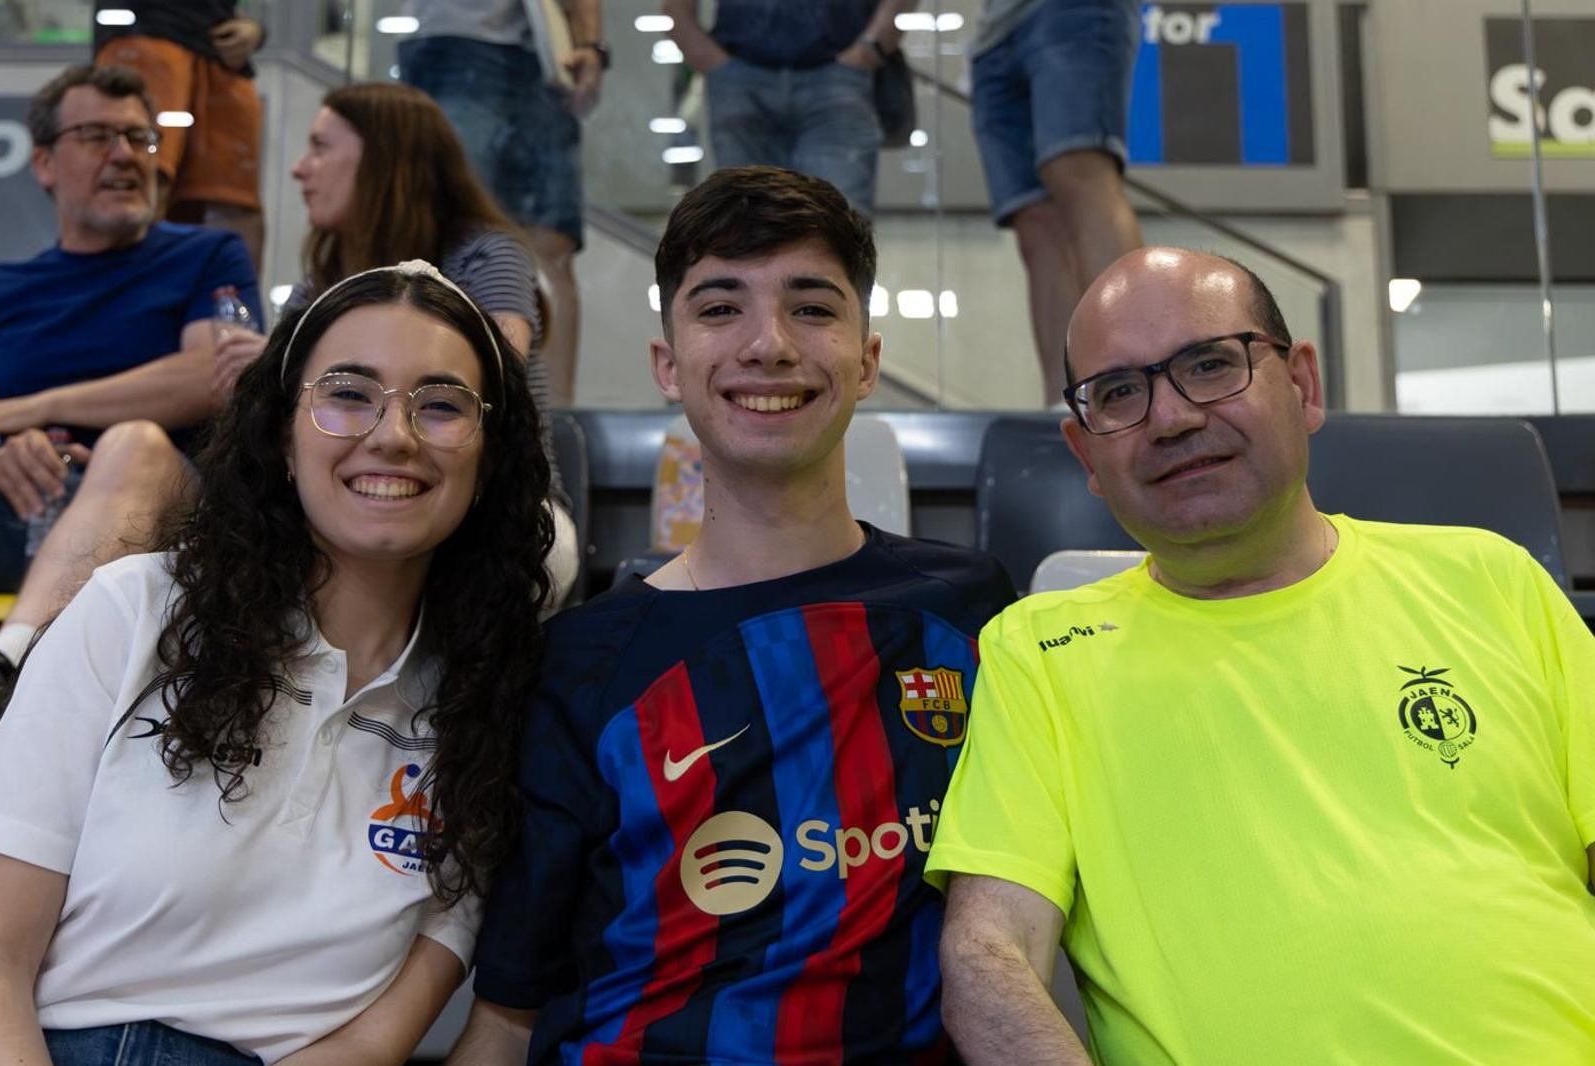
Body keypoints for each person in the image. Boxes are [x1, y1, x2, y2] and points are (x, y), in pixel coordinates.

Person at [928, 247, 1595, 1063]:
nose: (1171, 418)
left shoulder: (1491, 580)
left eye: (1210, 365)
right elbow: (986, 958)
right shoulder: (1040, 650)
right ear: (1085, 455)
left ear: (1303, 386)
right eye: (1120, 393)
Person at [446, 166, 1015, 1064]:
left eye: (813, 308)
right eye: (720, 309)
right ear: (667, 365)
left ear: (867, 361)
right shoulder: (580, 663)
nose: (768, 345)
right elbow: (511, 1011)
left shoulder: (972, 611)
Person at [0, 260, 556, 1064]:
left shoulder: (492, 703)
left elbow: (374, 1042)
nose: (392, 435)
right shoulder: (136, 612)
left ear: (489, 456)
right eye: (348, 395)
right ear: (282, 438)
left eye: (439, 406)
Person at [218, 80, 579, 604]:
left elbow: (497, 383)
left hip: (498, 512)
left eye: (320, 146)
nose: (300, 168)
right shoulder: (320, 282)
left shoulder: (484, 255)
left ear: (384, 159)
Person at [0, 64, 258, 691]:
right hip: (18, 505)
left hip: (163, 500)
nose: (125, 156)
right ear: (44, 164)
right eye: (95, 136)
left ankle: (13, 663)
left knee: (134, 440)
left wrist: (30, 408)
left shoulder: (205, 255)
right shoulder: (5, 287)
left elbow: (213, 375)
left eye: (140, 139)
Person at [399, 0, 607, 408]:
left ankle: (553, 425)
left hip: (547, 50)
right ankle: (439, 404)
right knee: (448, 241)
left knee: (552, 249)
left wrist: (590, 43)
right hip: (455, 41)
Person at [969, 0, 1144, 406]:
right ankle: (1065, 404)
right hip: (992, 32)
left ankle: (1138, 373)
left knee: (1080, 169)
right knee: (1033, 218)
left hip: (1070, 10)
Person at [663, 0, 918, 217]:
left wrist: (868, 50)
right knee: (743, 223)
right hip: (742, 74)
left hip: (836, 73)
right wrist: (710, 59)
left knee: (840, 222)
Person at [94, 1, 267, 271]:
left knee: (233, 202)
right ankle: (124, 303)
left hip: (218, 48)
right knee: (141, 176)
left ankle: (230, 307)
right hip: (145, 35)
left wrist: (253, 29)